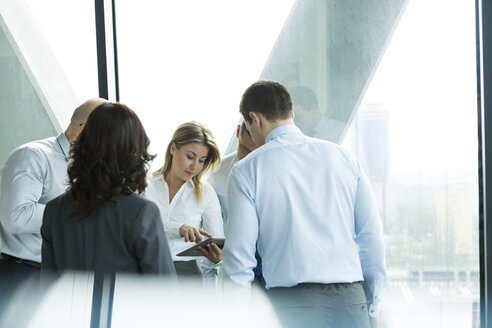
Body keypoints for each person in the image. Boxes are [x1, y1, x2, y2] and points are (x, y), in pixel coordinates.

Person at [223, 80, 386, 328]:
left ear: (254, 119)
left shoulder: (248, 170)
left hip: (291, 305)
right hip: (352, 302)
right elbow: (371, 236)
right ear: (291, 112)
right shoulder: (345, 158)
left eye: (247, 125)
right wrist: (371, 300)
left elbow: (239, 258)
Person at [41, 102, 176, 278]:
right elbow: (164, 290)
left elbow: (49, 289)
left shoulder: (54, 210)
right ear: (132, 150)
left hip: (71, 306)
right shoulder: (141, 212)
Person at [0, 98, 106, 312]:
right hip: (21, 274)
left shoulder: (88, 168)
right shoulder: (33, 155)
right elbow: (16, 217)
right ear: (85, 129)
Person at [145, 121, 224, 278]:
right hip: (146, 270)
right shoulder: (144, 184)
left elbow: (216, 241)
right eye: (190, 157)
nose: (194, 166)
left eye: (201, 160)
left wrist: (218, 259)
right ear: (173, 148)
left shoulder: (206, 193)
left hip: (186, 275)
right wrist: (178, 229)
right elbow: (136, 229)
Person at [208, 122, 257, 221]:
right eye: (246, 149)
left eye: (256, 153)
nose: (248, 158)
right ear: (238, 131)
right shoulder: (216, 173)